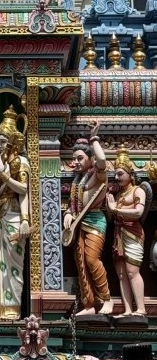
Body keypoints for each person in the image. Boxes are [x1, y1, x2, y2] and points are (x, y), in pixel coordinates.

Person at [63, 121, 113, 316]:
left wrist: (94, 139)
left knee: (92, 260)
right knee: (81, 263)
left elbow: (102, 160)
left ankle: (107, 299)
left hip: (95, 221)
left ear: (90, 159)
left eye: (80, 158)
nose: (76, 162)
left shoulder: (97, 176)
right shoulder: (77, 180)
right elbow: (72, 205)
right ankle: (89, 303)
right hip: (78, 225)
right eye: (74, 158)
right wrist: (68, 214)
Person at [0, 106, 31, 320]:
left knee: (13, 264)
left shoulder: (20, 162)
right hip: (1, 216)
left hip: (14, 216)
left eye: (2, 142)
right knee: (2, 265)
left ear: (12, 142)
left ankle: (13, 308)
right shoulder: (5, 162)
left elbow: (24, 190)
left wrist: (25, 220)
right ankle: (2, 308)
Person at [106, 145, 148, 317]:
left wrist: (115, 209)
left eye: (120, 174)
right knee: (122, 274)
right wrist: (109, 207)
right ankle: (128, 309)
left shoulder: (138, 190)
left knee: (132, 271)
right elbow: (111, 217)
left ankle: (141, 308)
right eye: (115, 174)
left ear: (130, 174)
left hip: (133, 233)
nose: (117, 177)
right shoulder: (118, 195)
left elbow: (138, 212)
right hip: (118, 234)